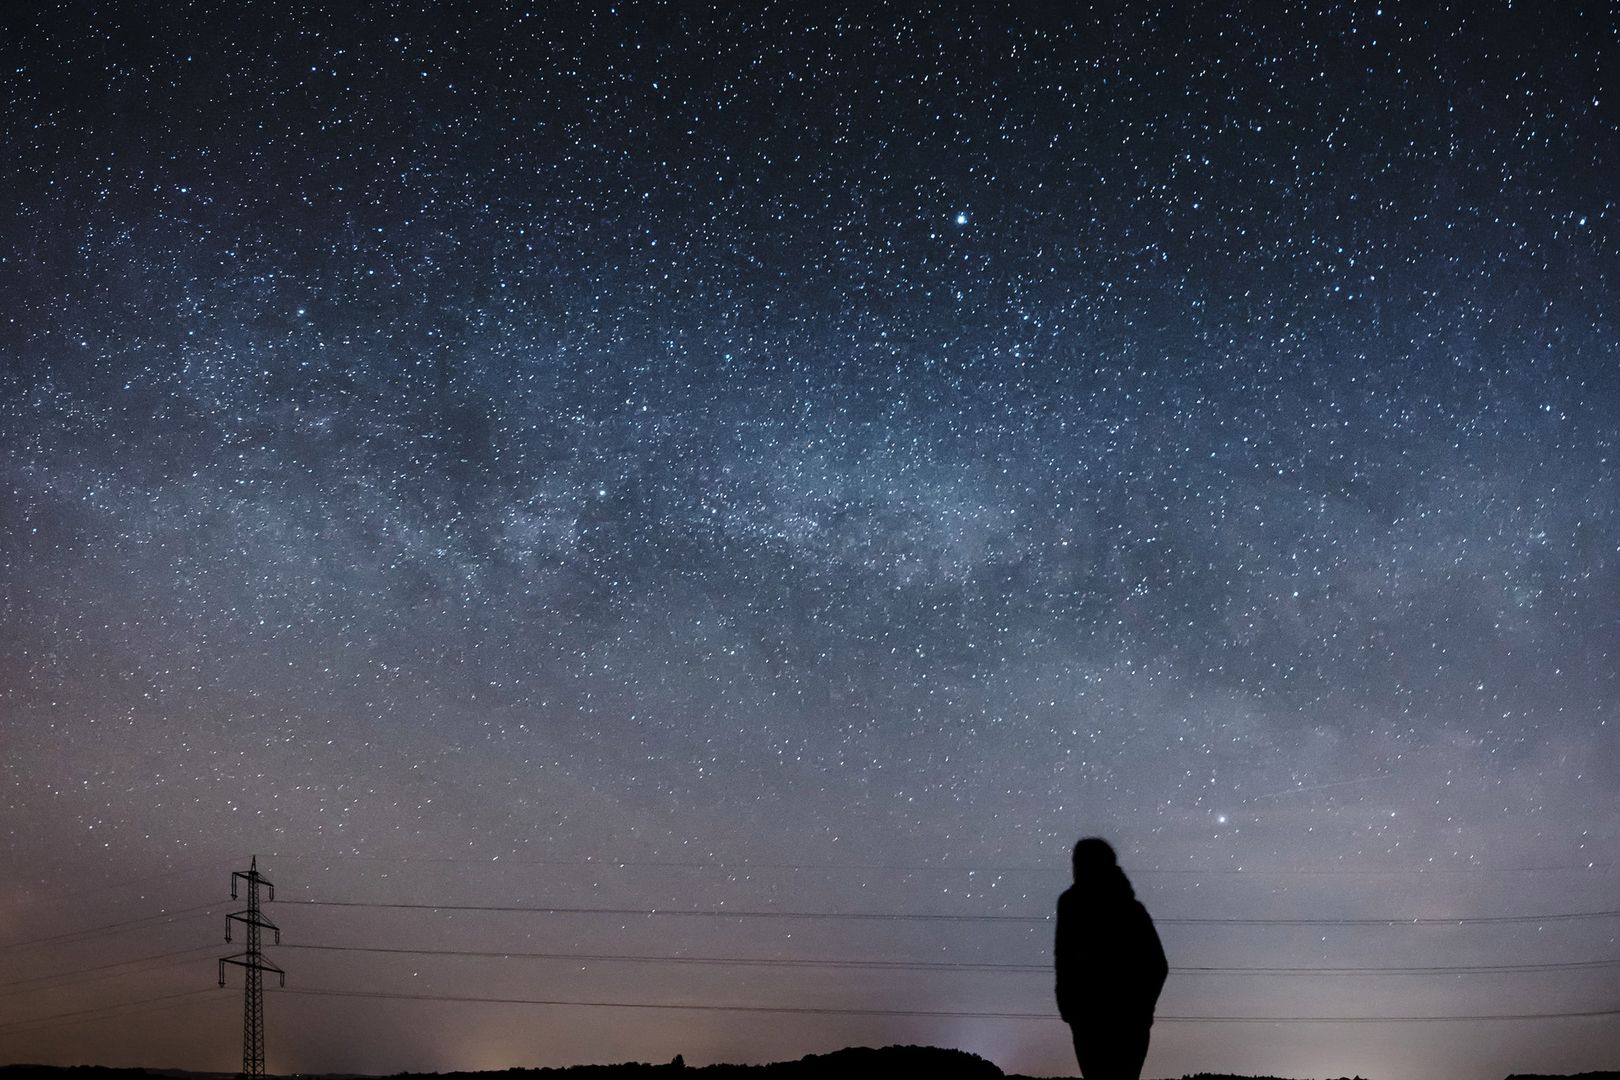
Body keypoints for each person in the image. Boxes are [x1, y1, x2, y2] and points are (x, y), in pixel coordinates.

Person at [1054, 837, 1168, 1079]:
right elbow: (1158, 965)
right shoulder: (1131, 909)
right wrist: (1143, 1008)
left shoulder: (1072, 904)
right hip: (1119, 1020)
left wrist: (1070, 1004)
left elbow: (1064, 958)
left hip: (1094, 1018)